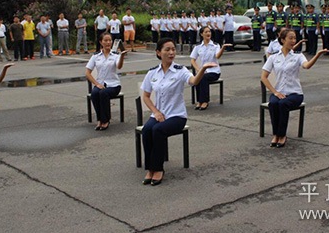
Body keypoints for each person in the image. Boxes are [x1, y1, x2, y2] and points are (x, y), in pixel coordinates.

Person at [140, 38, 217, 186]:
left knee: (158, 130)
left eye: (173, 49)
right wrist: (155, 112)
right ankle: (149, 168)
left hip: (176, 116)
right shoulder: (152, 73)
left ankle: (158, 169)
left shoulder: (180, 71)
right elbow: (146, 96)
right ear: (158, 52)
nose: (171, 52)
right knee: (147, 130)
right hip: (158, 114)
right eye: (167, 49)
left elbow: (194, 81)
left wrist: (203, 69)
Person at [261, 28, 329, 148]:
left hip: (294, 93)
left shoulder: (298, 56)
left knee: (283, 105)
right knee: (273, 104)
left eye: (294, 38)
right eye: (290, 38)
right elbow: (264, 77)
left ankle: (282, 135)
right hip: (279, 92)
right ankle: (276, 134)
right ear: (282, 40)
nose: (293, 41)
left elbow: (306, 66)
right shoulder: (274, 57)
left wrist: (317, 55)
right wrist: (275, 92)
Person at [85, 32, 127, 130]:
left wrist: (122, 57)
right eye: (106, 40)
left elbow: (119, 66)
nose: (108, 42)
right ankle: (100, 119)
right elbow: (87, 73)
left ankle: (106, 120)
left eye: (110, 40)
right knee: (95, 93)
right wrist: (96, 84)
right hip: (100, 84)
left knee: (103, 94)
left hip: (113, 85)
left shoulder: (115, 55)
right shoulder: (96, 56)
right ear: (101, 42)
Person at [190, 27, 231, 110]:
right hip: (202, 71)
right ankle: (200, 101)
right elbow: (192, 60)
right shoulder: (198, 46)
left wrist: (222, 48)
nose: (208, 33)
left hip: (214, 71)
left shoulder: (215, 45)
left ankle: (205, 101)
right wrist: (198, 70)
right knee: (198, 77)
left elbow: (217, 56)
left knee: (203, 78)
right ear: (202, 34)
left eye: (209, 31)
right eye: (206, 32)